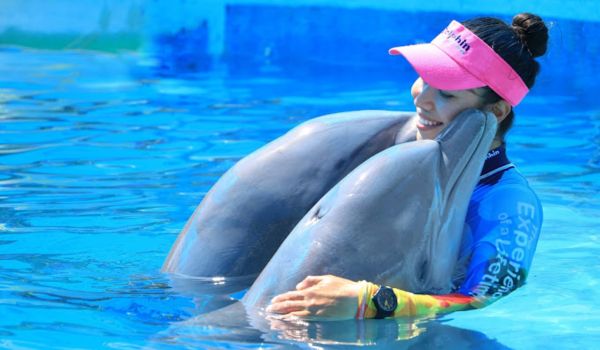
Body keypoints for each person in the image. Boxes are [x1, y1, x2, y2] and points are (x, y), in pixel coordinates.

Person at [266, 13, 547, 320]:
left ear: (497, 110)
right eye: (424, 78)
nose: (422, 99)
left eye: (447, 93)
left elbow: (484, 299)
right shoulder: (404, 150)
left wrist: (373, 303)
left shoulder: (510, 203)